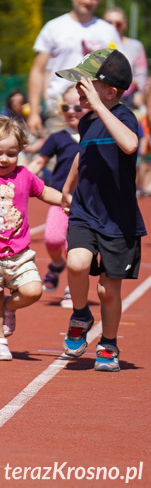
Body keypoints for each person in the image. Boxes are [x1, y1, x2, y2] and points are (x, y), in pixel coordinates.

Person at [57, 49, 145, 372]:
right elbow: (83, 156)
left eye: (86, 84)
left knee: (108, 289)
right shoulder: (86, 123)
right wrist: (67, 187)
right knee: (77, 262)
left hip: (118, 219)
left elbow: (130, 145)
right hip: (85, 210)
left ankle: (108, 343)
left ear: (109, 92)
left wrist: (99, 108)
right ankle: (80, 315)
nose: (80, 90)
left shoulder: (124, 118)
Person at [0, 117, 63, 361]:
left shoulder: (24, 175)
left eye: (11, 153)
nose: (3, 159)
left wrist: (65, 200)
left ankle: (9, 307)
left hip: (19, 253)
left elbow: (44, 191)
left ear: (21, 151)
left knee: (33, 290)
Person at [27, 0, 120, 136]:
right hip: (60, 110)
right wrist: (34, 111)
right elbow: (37, 70)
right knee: (60, 159)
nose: (88, 0)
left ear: (99, 0)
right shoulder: (54, 27)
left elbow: (117, 72)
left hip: (97, 108)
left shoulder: (107, 31)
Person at [25, 86, 84, 308]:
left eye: (77, 107)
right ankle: (57, 265)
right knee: (52, 240)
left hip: (86, 203)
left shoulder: (96, 136)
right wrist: (19, 178)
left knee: (75, 247)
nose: (71, 111)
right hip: (59, 199)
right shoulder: (57, 138)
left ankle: (71, 289)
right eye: (65, 107)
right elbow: (39, 161)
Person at [103, 6, 147, 106]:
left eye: (118, 24)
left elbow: (141, 79)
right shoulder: (97, 44)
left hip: (128, 101)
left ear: (125, 25)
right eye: (109, 23)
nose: (113, 27)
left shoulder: (135, 46)